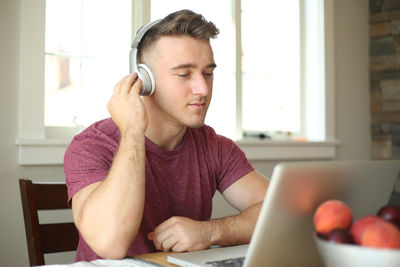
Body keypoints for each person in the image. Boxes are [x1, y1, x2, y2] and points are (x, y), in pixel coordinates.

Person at [64, 9, 269, 262]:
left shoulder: (215, 147)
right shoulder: (91, 146)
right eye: (184, 74)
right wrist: (132, 131)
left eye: (208, 73)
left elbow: (282, 214)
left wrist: (210, 232)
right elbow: (111, 245)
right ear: (143, 80)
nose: (203, 89)